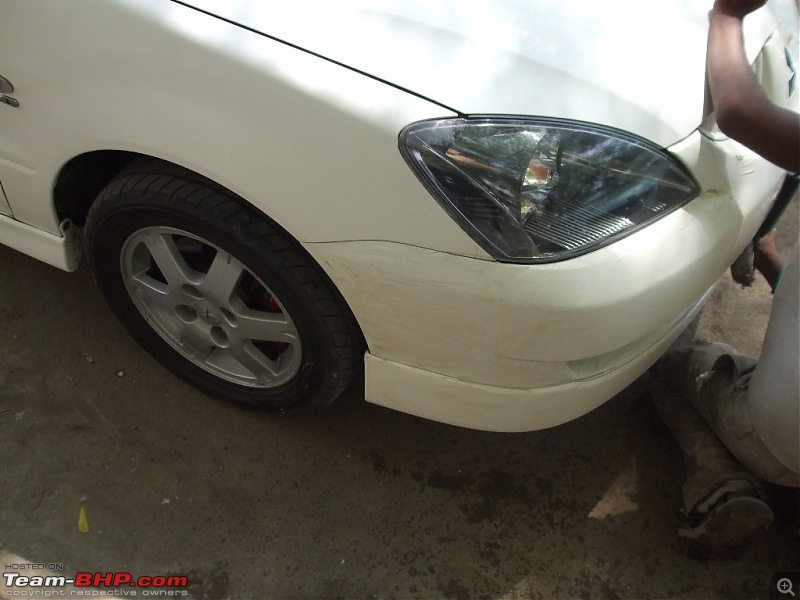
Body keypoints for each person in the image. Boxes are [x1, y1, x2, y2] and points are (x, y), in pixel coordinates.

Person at [650, 0, 799, 554]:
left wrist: (727, 16)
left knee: (664, 360)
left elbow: (737, 110)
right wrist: (769, 260)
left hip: (779, 431)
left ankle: (719, 479)